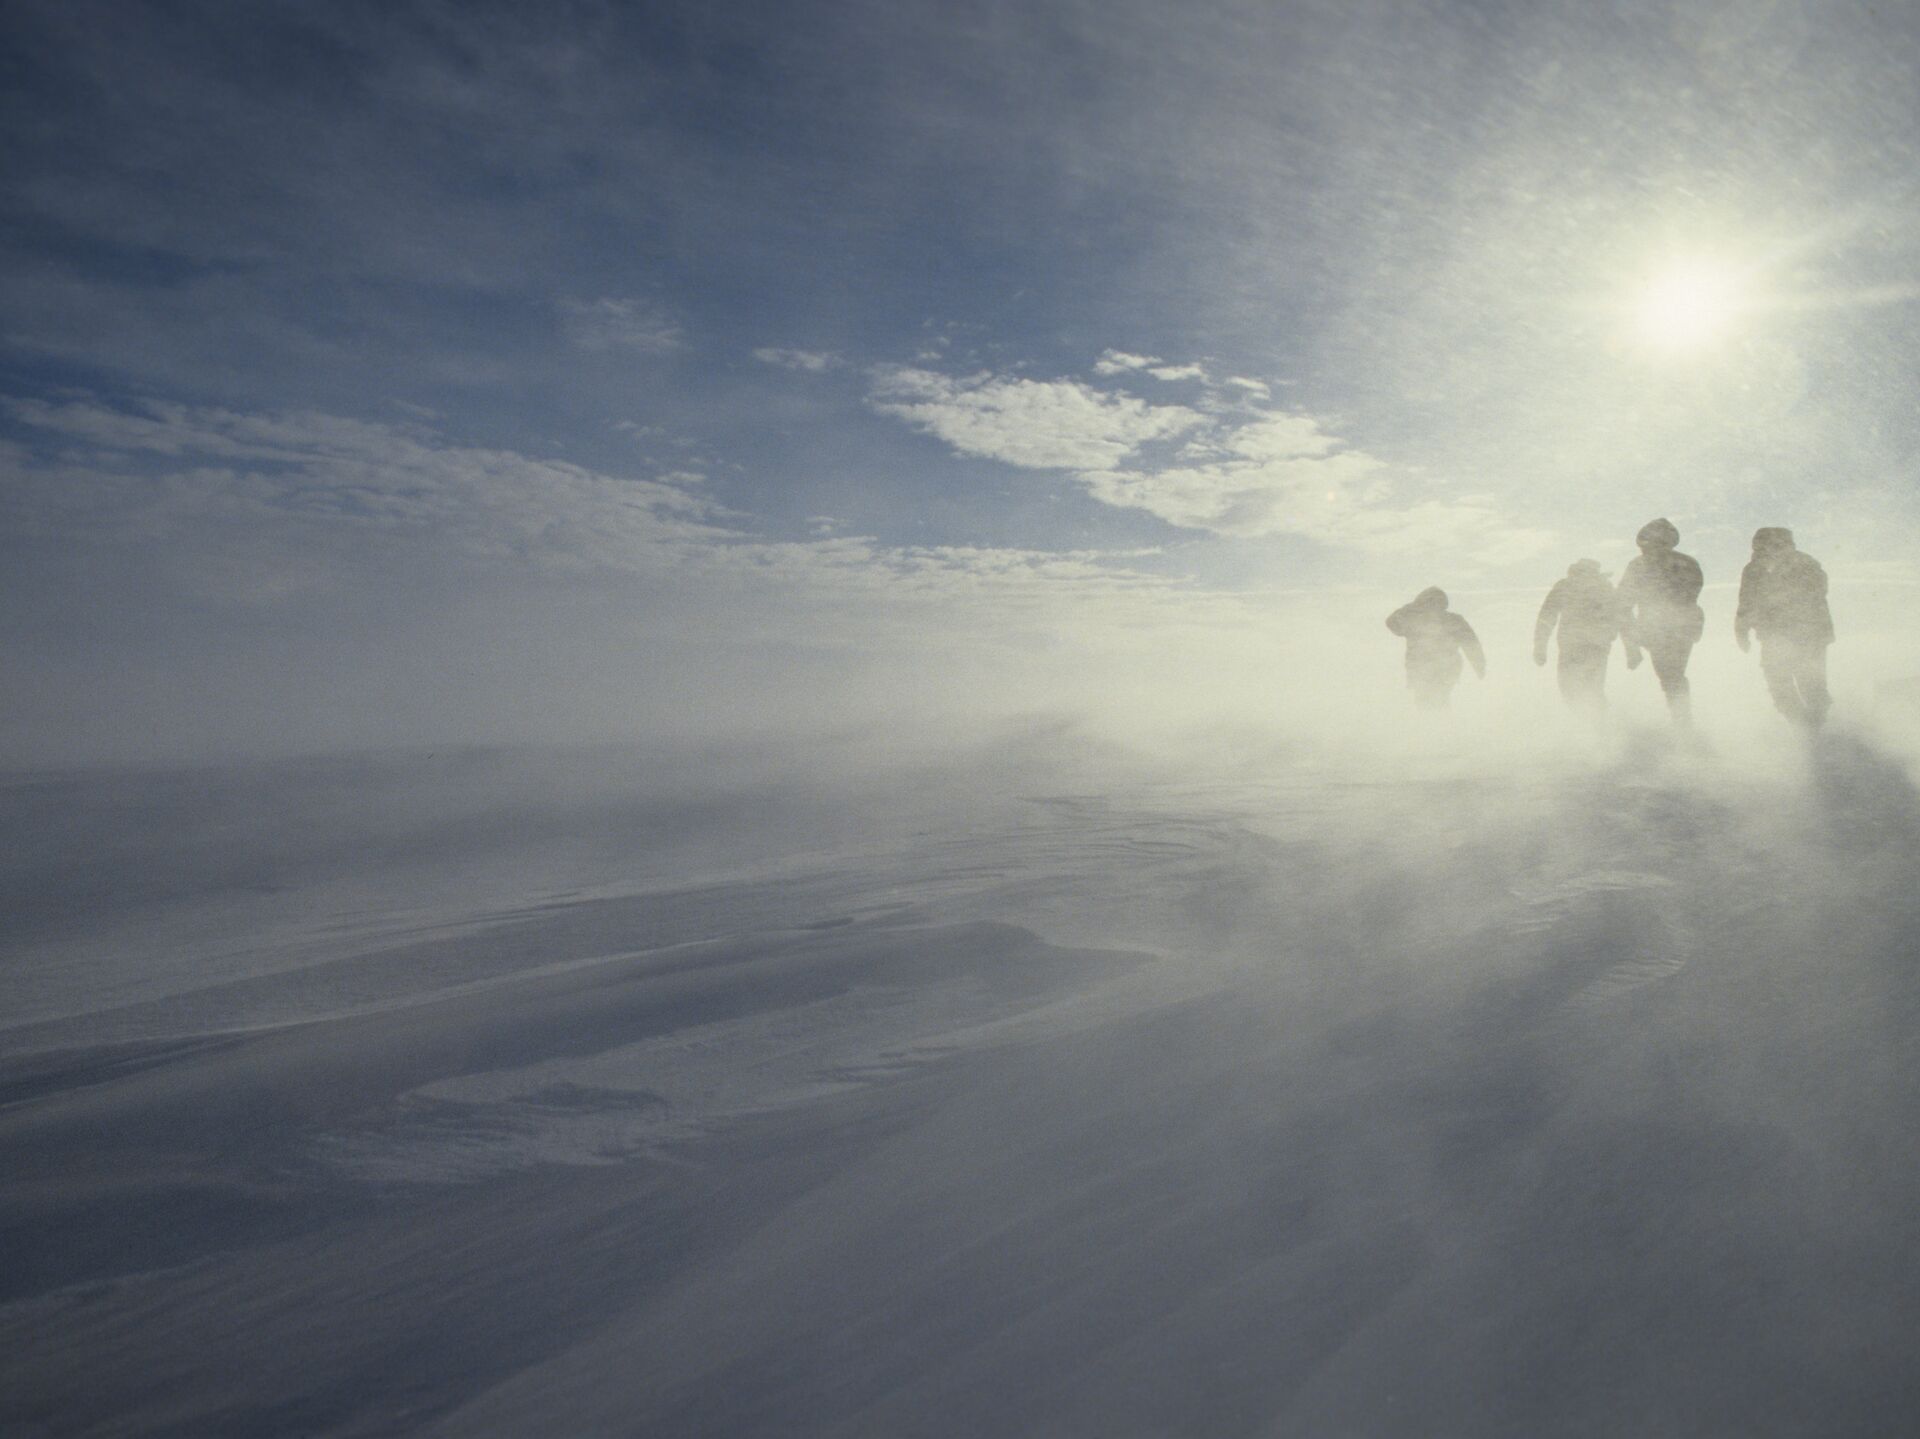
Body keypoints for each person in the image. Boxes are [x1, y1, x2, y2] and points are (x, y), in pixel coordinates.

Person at [1735, 527, 1834, 728]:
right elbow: (1746, 601)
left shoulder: (1805, 564)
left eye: (1775, 545)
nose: (1769, 550)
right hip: (1778, 635)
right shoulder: (1755, 569)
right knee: (1781, 683)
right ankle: (1804, 726)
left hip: (1805, 634)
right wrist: (1741, 629)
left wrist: (1744, 628)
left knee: (1808, 682)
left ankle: (1815, 726)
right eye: (1764, 546)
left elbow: (1817, 594)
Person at [1616, 517, 1705, 722]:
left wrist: (1632, 646)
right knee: (1671, 675)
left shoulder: (1644, 565)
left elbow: (1623, 605)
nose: (1646, 550)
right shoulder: (1685, 563)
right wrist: (1632, 646)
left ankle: (1682, 721)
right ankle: (1682, 720)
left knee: (1671, 675)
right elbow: (1623, 605)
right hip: (1668, 627)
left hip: (1670, 627)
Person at [1533, 559, 1624, 711]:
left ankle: (1593, 720)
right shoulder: (1603, 586)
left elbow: (1546, 617)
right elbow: (1620, 616)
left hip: (1575, 647)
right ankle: (1599, 719)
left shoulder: (1566, 586)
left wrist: (1540, 646)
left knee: (1571, 689)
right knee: (1591, 688)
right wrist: (1627, 645)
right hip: (1594, 647)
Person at [1386, 586, 1486, 710]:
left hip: (1432, 669)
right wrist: (1479, 666)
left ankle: (1435, 720)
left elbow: (1471, 644)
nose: (1433, 606)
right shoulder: (1451, 620)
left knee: (1429, 701)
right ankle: (1439, 720)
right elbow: (1471, 643)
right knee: (1436, 700)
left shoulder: (1413, 620)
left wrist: (1412, 607)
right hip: (1434, 669)